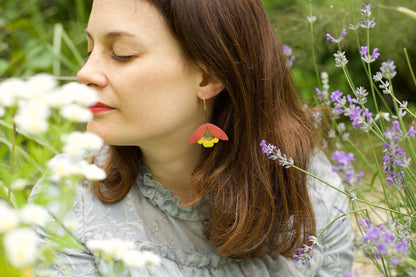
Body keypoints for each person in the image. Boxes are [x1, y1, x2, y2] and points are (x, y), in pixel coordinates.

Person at [31, 0, 354, 276]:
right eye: (91, 49)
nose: (85, 72)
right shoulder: (70, 193)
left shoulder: (305, 182)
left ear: (209, 75)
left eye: (121, 53)